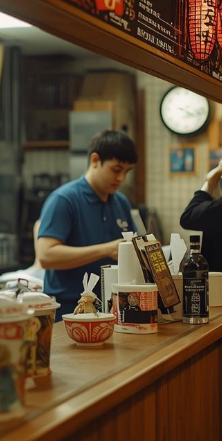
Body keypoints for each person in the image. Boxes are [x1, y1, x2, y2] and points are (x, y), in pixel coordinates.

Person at [36, 129, 138, 318]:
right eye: (116, 170)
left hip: (112, 309)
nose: (121, 178)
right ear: (95, 160)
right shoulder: (64, 199)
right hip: (68, 310)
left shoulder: (121, 202)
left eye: (127, 172)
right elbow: (46, 255)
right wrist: (106, 249)